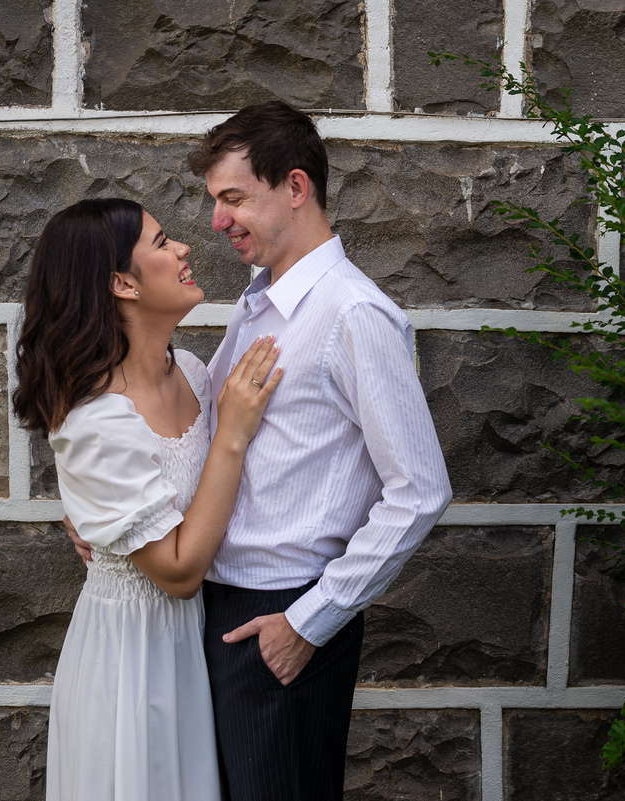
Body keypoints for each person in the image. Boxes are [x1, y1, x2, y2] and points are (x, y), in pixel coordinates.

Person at [69, 102, 452, 799]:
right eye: (216, 201)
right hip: (211, 613)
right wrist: (113, 521)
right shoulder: (258, 304)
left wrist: (309, 622)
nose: (217, 221)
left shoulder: (352, 314)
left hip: (279, 614)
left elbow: (421, 490)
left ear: (296, 187)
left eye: (234, 198)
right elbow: (193, 445)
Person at [14, 198, 283, 800]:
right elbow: (179, 572)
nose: (184, 248)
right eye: (162, 243)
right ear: (122, 283)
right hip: (132, 660)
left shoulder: (190, 370)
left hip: (199, 643)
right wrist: (233, 433)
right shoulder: (95, 419)